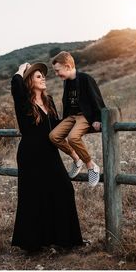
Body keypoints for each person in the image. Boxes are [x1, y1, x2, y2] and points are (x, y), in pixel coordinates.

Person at [11, 62, 83, 252]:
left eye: (44, 75)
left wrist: (80, 120)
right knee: (33, 197)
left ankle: (66, 240)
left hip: (50, 153)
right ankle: (33, 243)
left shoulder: (49, 100)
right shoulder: (23, 101)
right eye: (38, 76)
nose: (43, 77)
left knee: (64, 189)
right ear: (28, 81)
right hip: (30, 155)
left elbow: (57, 125)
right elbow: (15, 82)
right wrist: (21, 69)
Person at [49, 51, 106, 187]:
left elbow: (97, 99)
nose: (57, 74)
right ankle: (77, 159)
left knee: (73, 137)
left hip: (84, 116)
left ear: (68, 66)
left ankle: (91, 166)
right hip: (71, 117)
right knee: (53, 136)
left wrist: (98, 118)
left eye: (58, 71)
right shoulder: (67, 82)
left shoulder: (86, 79)